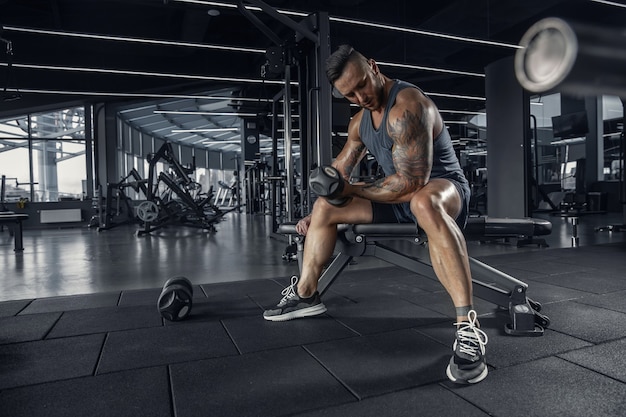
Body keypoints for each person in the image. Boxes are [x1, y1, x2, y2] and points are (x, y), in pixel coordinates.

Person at [263, 45, 488, 385]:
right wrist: (322, 201)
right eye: (349, 94)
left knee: (423, 202)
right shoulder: (359, 122)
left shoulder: (408, 106)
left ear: (373, 66)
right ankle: (306, 296)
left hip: (443, 190)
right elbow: (340, 171)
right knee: (326, 207)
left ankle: (467, 327)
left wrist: (350, 189)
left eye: (361, 85)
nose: (360, 97)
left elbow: (412, 183)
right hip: (398, 197)